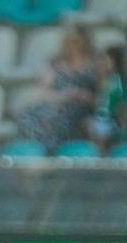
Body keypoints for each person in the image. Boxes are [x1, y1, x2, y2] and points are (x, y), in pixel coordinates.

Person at [15, 25, 101, 153]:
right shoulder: (56, 63)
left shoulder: (95, 64)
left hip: (80, 106)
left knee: (56, 116)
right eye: (71, 42)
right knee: (28, 115)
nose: (74, 46)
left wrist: (80, 95)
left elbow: (100, 94)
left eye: (77, 41)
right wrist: (66, 95)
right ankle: (37, 151)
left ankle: (51, 151)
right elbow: (43, 92)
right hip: (58, 101)